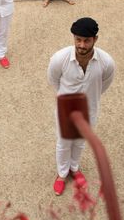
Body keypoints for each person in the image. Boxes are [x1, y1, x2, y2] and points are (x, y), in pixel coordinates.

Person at [48, 17, 115, 196]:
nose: (82, 45)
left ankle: (74, 168)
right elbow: (54, 80)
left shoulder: (106, 62)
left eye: (87, 40)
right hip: (65, 110)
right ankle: (62, 174)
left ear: (95, 39)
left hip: (90, 109)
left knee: (80, 142)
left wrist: (90, 98)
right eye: (78, 39)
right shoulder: (59, 59)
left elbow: (104, 84)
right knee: (64, 143)